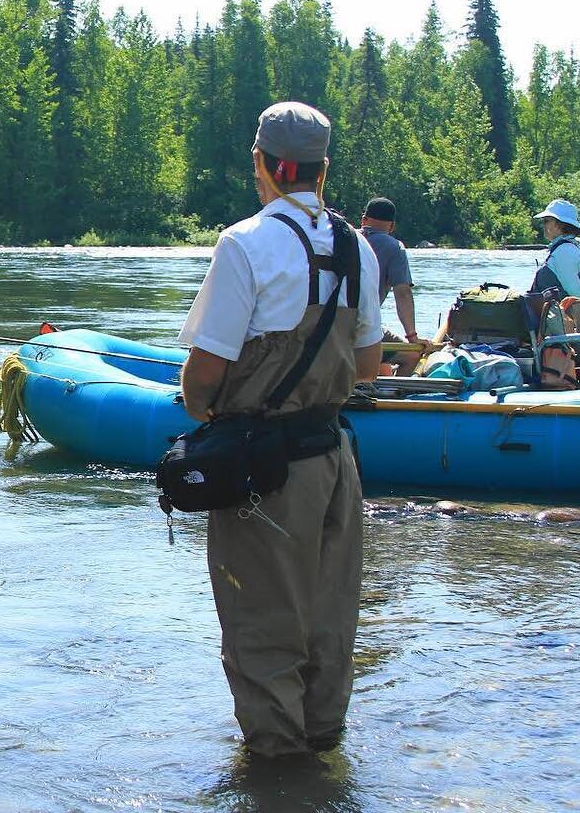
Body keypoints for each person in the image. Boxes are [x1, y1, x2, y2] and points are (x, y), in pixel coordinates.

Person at [178, 101, 383, 759]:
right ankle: (324, 757)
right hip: (335, 464)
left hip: (263, 474)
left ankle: (278, 782)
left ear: (263, 165)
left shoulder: (244, 245)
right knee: (330, 620)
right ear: (321, 172)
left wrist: (208, 410)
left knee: (263, 628)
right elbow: (371, 365)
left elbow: (201, 379)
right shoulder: (360, 250)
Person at [359, 198, 417, 342]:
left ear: (363, 220)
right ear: (392, 227)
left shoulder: (344, 237)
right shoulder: (395, 247)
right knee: (411, 356)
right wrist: (412, 336)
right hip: (363, 327)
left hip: (330, 323)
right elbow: (403, 293)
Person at [530, 199, 580, 303]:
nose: (543, 225)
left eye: (546, 221)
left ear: (561, 224)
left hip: (558, 317)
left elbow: (577, 294)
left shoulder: (564, 251)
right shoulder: (567, 248)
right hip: (556, 315)